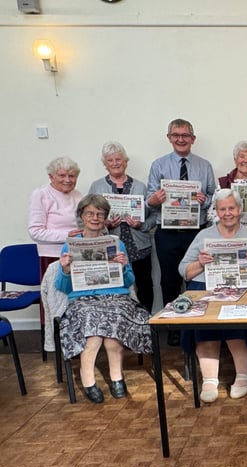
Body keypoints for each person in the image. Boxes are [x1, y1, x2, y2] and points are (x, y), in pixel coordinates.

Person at [55, 194, 153, 404]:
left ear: (105, 218)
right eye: (90, 213)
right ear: (82, 216)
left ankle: (117, 378)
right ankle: (89, 380)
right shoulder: (70, 246)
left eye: (100, 214)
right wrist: (64, 269)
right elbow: (62, 287)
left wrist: (124, 266)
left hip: (116, 297)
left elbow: (128, 282)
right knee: (93, 330)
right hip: (83, 300)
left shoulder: (116, 244)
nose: (95, 217)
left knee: (113, 324)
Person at [178, 189, 247, 403]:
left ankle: (242, 376)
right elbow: (183, 270)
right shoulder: (204, 235)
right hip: (207, 288)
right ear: (217, 212)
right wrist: (200, 263)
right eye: (223, 209)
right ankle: (209, 380)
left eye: (231, 208)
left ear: (239, 210)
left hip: (244, 289)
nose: (228, 213)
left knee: (235, 318)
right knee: (205, 321)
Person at [146, 118, 216, 345]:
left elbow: (213, 198)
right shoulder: (158, 165)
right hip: (167, 232)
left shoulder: (204, 165)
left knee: (196, 276)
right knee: (169, 279)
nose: (180, 139)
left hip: (196, 231)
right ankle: (175, 324)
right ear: (169, 138)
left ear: (193, 139)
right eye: (176, 135)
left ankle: (197, 323)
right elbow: (149, 200)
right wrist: (154, 199)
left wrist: (205, 201)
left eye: (185, 135)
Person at [89, 141, 157, 311]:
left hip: (139, 247)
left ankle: (145, 322)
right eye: (110, 160)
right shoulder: (96, 187)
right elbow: (88, 216)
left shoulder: (140, 186)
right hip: (109, 247)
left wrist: (141, 224)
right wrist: (105, 224)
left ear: (125, 161)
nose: (115, 163)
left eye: (118, 159)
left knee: (145, 286)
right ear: (105, 164)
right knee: (115, 286)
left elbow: (155, 216)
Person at [28, 156, 84, 288]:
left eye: (72, 176)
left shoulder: (77, 194)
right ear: (51, 176)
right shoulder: (41, 194)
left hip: (77, 254)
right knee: (55, 298)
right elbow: (35, 232)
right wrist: (67, 236)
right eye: (62, 175)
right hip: (52, 256)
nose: (67, 180)